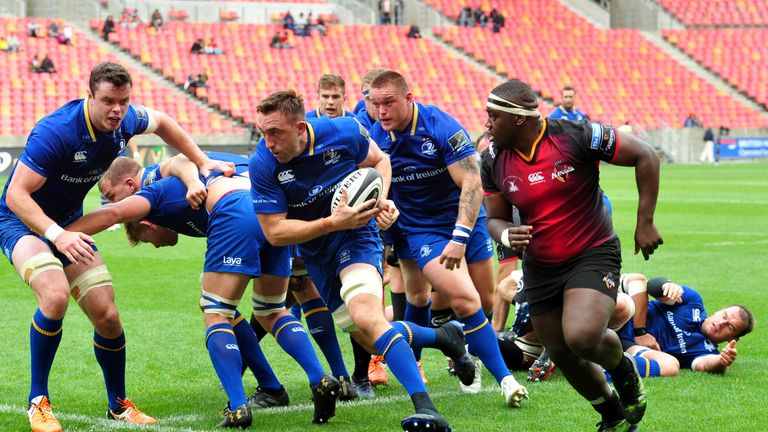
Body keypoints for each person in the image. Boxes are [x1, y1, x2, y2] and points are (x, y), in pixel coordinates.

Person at [0, 62, 234, 432]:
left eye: (123, 102)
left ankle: (118, 405)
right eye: (108, 101)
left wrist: (203, 160)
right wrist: (57, 235)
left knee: (107, 315)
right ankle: (38, 402)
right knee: (55, 295)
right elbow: (15, 194)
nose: (116, 110)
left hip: (68, 224)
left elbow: (165, 121)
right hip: (22, 221)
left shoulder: (125, 120)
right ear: (89, 95)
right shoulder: (56, 132)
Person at [250, 90, 475, 432]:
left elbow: (380, 160)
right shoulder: (263, 164)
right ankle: (444, 338)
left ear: (299, 128)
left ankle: (426, 409)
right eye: (263, 133)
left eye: (275, 133)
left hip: (357, 237)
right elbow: (275, 232)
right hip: (317, 253)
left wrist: (379, 199)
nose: (268, 142)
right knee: (370, 338)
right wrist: (330, 223)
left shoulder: (342, 131)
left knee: (366, 316)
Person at [70, 153, 339, 427]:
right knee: (271, 310)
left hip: (235, 211)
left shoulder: (154, 190)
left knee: (215, 312)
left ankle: (237, 406)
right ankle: (319, 378)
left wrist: (57, 233)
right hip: (272, 211)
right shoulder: (205, 163)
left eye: (110, 194)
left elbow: (113, 213)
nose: (111, 201)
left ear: (130, 186)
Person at [482, 79, 662, 431]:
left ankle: (624, 373)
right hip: (541, 265)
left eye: (493, 117)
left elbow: (646, 155)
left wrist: (645, 223)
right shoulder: (491, 159)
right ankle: (612, 415)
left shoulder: (576, 134)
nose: (487, 124)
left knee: (580, 336)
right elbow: (495, 217)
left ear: (519, 119)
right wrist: (505, 232)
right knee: (561, 351)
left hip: (592, 253)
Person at [368, 71, 529, 402]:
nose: (381, 111)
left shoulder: (440, 126)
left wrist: (459, 236)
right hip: (420, 230)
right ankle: (506, 381)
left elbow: (472, 182)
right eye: (375, 103)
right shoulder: (376, 138)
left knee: (482, 302)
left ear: (409, 99)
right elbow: (373, 187)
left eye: (389, 103)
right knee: (460, 300)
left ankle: (454, 340)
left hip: (466, 220)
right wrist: (381, 220)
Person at [617, 274, 754, 377]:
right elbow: (652, 286)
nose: (721, 323)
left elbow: (706, 364)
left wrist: (722, 361)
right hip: (624, 317)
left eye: (730, 327)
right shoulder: (693, 302)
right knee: (637, 280)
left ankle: (605, 370)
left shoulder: (706, 351)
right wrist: (665, 286)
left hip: (627, 346)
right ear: (719, 310)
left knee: (671, 366)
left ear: (732, 338)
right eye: (724, 316)